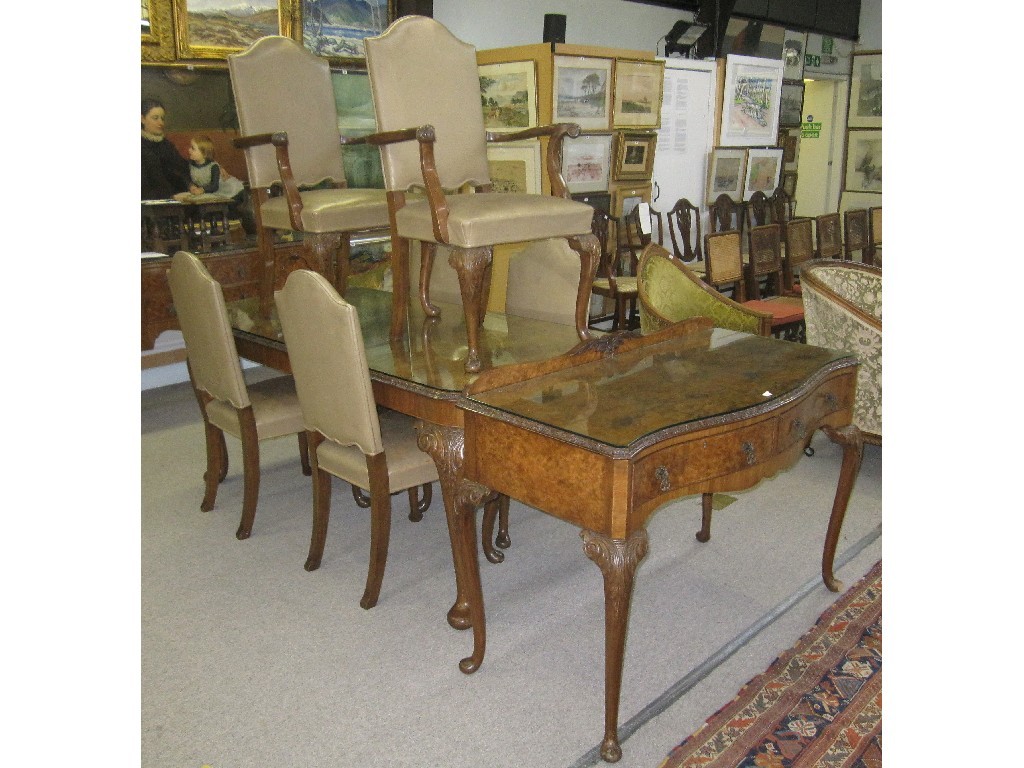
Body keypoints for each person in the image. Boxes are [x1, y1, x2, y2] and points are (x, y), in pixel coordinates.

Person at [141, 98, 191, 200]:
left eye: (162, 118)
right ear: (142, 119)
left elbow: (183, 168)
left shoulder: (167, 145)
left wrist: (211, 167)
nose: (161, 123)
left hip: (177, 199)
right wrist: (170, 197)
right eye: (155, 118)